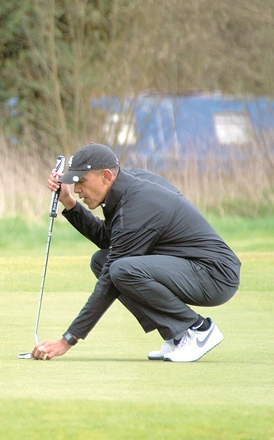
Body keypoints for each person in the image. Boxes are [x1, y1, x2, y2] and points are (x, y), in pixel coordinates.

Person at [31, 143, 241, 362]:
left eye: (81, 181)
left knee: (120, 269)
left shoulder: (137, 204)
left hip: (214, 275)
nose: (77, 190)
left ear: (106, 176)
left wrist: (67, 340)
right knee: (102, 262)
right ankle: (178, 336)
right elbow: (109, 239)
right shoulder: (128, 188)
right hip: (191, 267)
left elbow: (110, 279)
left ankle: (197, 329)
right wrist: (69, 203)